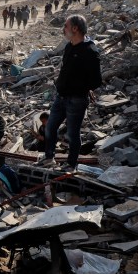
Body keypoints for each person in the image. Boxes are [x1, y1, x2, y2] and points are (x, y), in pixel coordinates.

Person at [36, 15, 102, 172]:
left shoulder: (90, 51)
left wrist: (80, 89)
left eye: (65, 26)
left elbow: (96, 81)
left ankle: (71, 164)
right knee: (50, 127)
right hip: (61, 97)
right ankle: (49, 157)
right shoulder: (69, 46)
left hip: (77, 100)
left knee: (72, 134)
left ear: (75, 28)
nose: (63, 29)